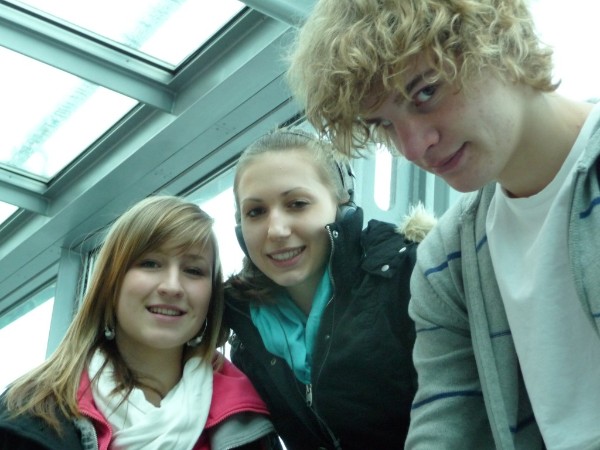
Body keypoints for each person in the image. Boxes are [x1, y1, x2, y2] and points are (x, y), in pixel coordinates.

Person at [286, 0, 600, 449]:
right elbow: (447, 420)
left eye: (426, 92)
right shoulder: (447, 259)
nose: (414, 147)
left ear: (497, 38)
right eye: (384, 124)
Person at [0, 195, 281, 450]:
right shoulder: (28, 412)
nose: (172, 287)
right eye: (150, 264)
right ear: (110, 282)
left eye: (194, 270)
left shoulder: (252, 420)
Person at [223, 128, 435, 449]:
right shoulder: (247, 334)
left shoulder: (407, 275)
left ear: (342, 201)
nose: (276, 230)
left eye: (297, 204)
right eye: (255, 212)